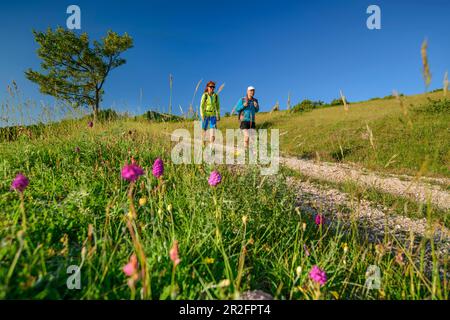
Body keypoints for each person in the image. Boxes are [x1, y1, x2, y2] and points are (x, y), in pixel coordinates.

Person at [199, 81, 220, 146]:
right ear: (207, 87)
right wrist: (202, 115)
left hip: (213, 116)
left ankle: (211, 147)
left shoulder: (216, 96)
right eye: (210, 87)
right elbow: (201, 106)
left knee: (212, 132)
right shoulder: (204, 95)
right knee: (204, 131)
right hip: (205, 115)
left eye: (213, 87)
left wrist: (218, 115)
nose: (212, 88)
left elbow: (218, 106)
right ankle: (203, 145)